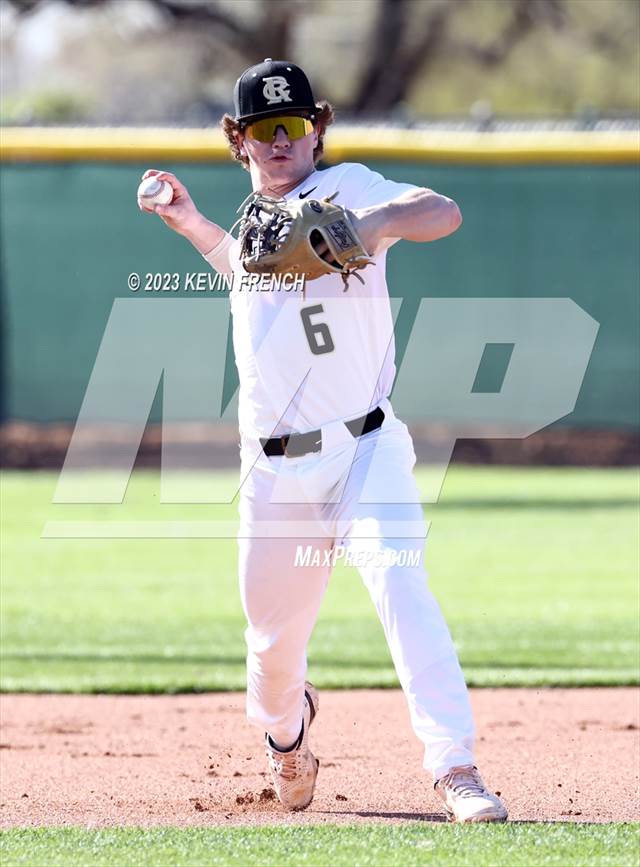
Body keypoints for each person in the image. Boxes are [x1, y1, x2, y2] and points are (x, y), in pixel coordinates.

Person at [139, 59, 507, 823]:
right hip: (273, 474)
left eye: (294, 125)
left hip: (365, 448)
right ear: (237, 141)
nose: (281, 141)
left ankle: (457, 767)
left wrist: (371, 227)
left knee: (401, 585)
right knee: (272, 659)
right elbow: (247, 276)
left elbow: (442, 211)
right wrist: (192, 223)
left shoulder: (352, 188)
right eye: (262, 130)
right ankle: (289, 732)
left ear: (317, 130)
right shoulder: (252, 226)